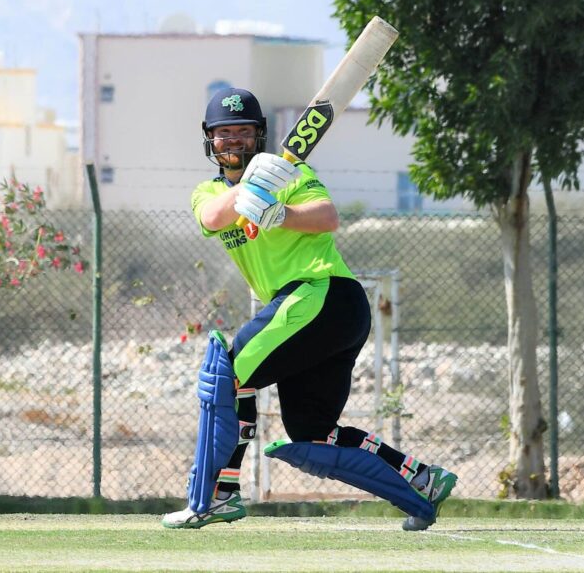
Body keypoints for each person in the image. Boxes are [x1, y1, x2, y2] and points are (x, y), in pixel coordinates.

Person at [162, 87, 457, 531]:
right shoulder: (207, 191)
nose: (234, 139)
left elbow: (327, 217)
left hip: (320, 294)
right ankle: (422, 481)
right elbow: (212, 218)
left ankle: (216, 496)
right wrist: (250, 189)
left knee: (227, 375)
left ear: (259, 135)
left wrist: (280, 213)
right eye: (225, 132)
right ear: (210, 138)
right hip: (320, 314)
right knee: (313, 432)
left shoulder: (291, 173)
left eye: (243, 131)